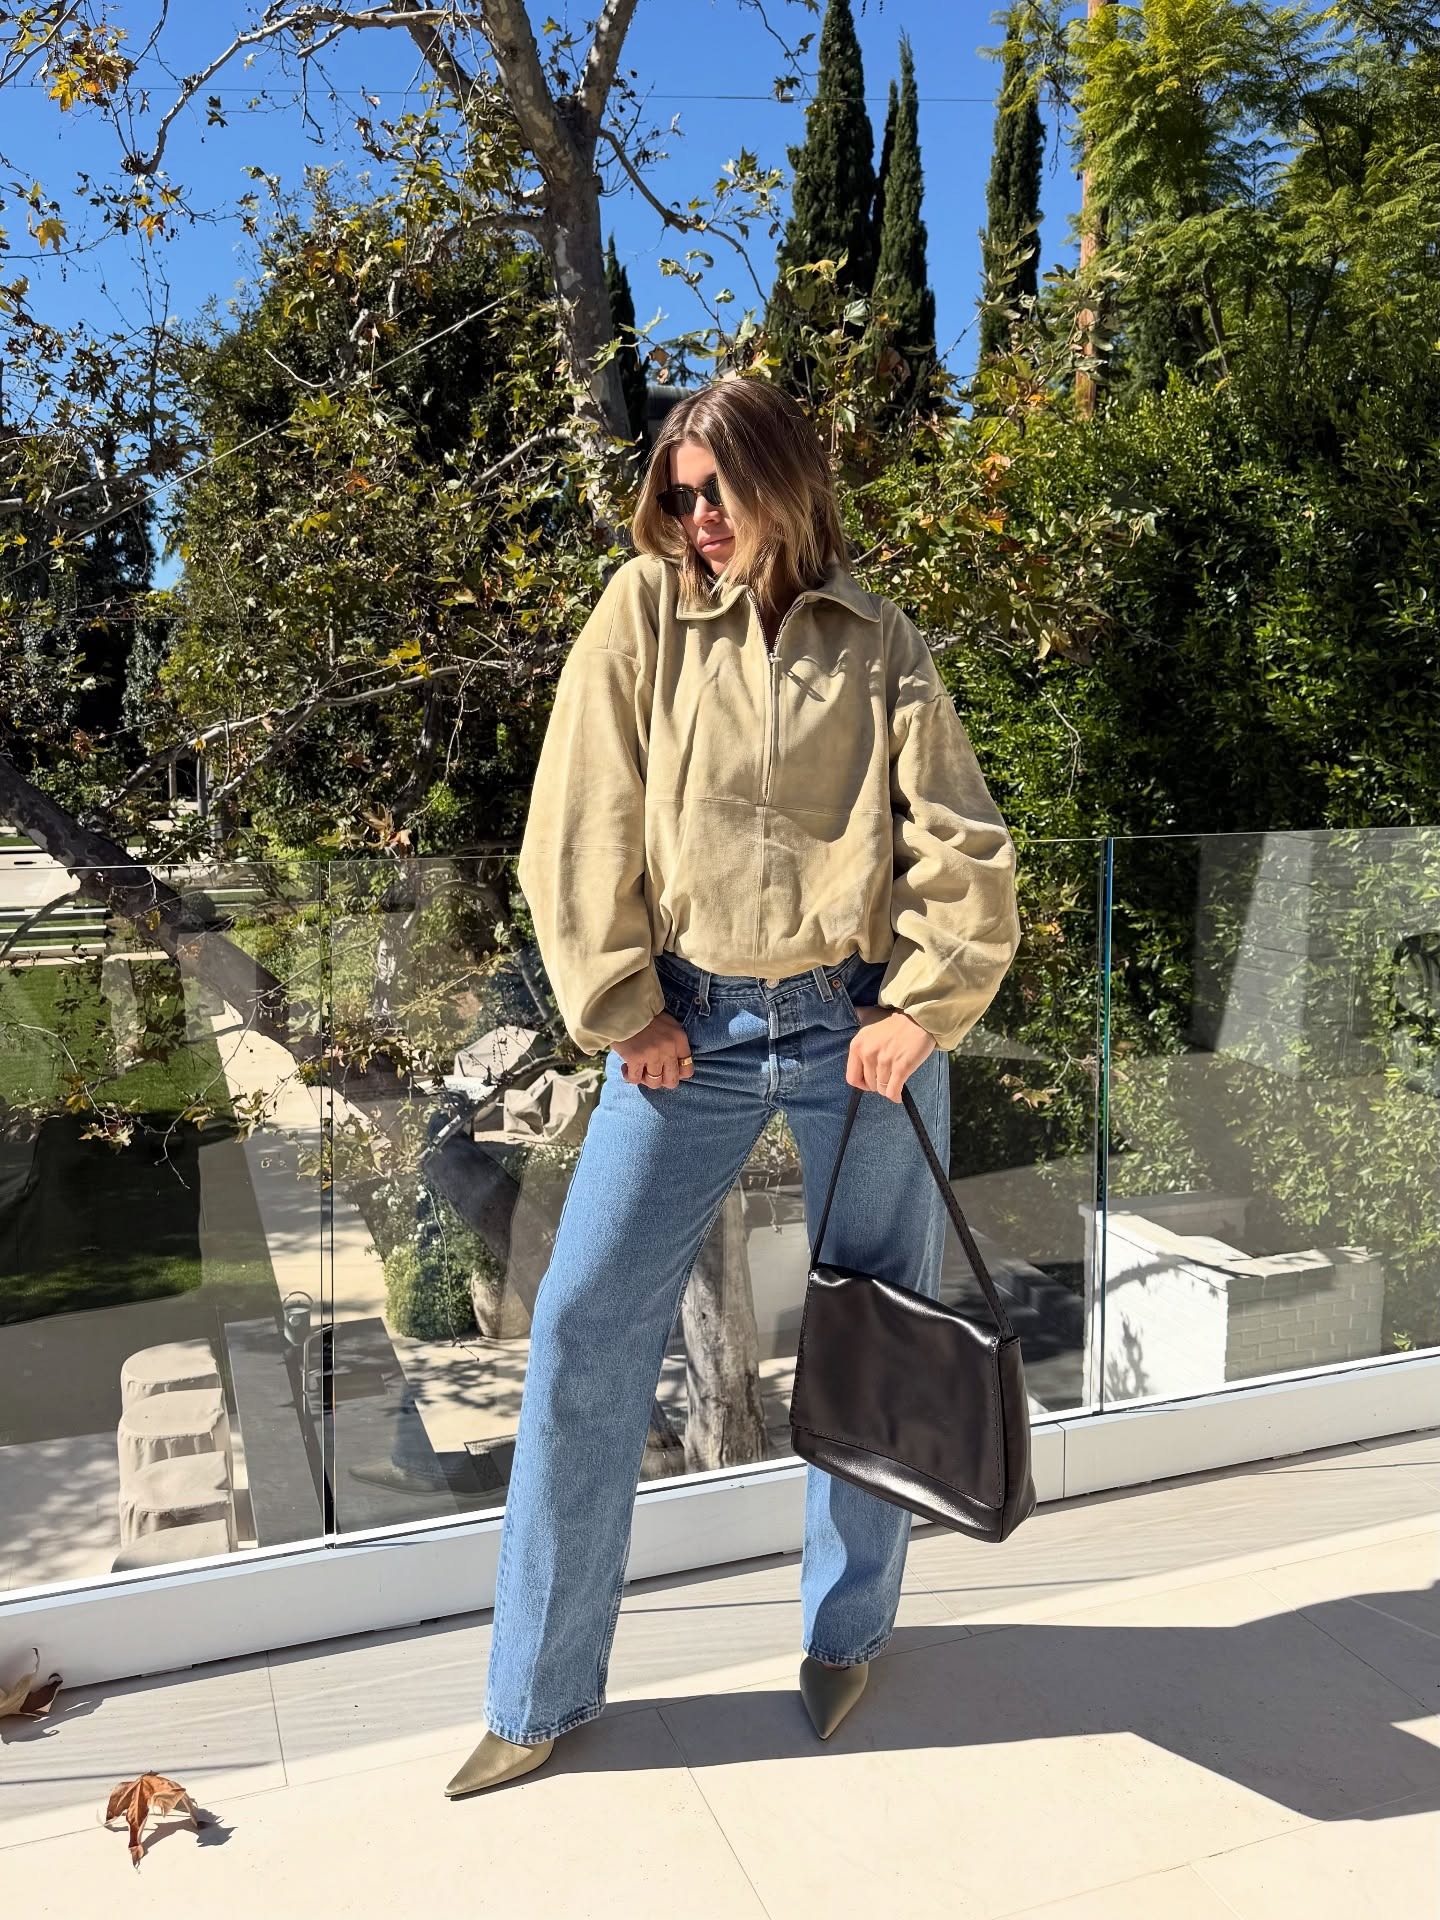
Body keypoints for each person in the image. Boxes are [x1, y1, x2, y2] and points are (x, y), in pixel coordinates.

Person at [444, 376, 1022, 1799]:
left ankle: (848, 1636)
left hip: (854, 1026)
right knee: (581, 1328)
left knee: (867, 1340)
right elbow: (574, 825)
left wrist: (925, 1004)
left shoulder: (878, 637)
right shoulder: (640, 613)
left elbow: (960, 838)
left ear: (785, 481)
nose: (698, 519)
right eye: (679, 494)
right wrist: (621, 1003)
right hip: (684, 1035)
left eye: (719, 490)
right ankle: (537, 1691)